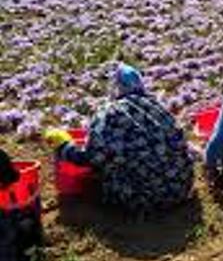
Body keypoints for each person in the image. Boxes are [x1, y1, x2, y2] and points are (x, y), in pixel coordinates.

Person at [44, 63, 194, 214]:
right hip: (180, 188)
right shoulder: (158, 107)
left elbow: (92, 157)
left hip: (143, 199)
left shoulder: (110, 112)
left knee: (99, 175)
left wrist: (64, 145)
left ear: (116, 87)